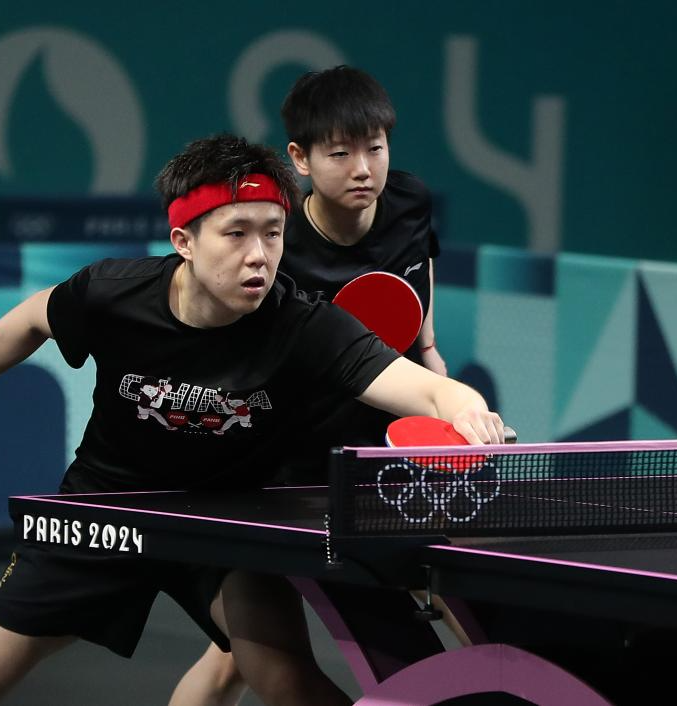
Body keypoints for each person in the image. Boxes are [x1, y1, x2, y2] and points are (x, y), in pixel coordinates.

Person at [0, 133, 507, 706]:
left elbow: (426, 391)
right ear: (184, 241)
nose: (259, 256)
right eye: (236, 234)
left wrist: (466, 409)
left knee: (284, 677)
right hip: (104, 511)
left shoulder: (304, 326)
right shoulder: (115, 293)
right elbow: (29, 320)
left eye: (273, 233)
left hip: (220, 527)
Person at [171, 66, 459, 706]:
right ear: (300, 159)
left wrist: (427, 346)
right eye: (340, 154)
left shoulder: (410, 199)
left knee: (242, 656)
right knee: (248, 653)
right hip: (295, 461)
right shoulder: (279, 243)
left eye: (375, 149)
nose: (363, 169)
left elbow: (421, 262)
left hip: (383, 438)